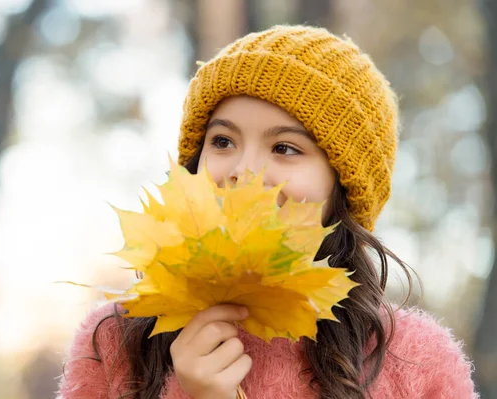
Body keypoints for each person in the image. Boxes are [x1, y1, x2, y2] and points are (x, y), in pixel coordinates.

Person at [56, 25, 478, 399]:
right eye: (222, 141)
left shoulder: (418, 362)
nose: (243, 171)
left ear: (344, 190)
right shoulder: (116, 343)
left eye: (284, 148)